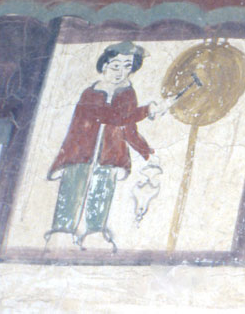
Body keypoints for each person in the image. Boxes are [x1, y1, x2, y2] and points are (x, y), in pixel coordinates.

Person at [45, 42, 175, 249]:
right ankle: (62, 231)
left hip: (110, 153)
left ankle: (95, 232)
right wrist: (147, 110)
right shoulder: (91, 92)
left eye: (127, 66)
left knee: (102, 191)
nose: (120, 72)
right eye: (115, 65)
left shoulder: (127, 93)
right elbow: (111, 116)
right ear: (104, 65)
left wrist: (146, 153)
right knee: (72, 189)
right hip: (80, 151)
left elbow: (128, 128)